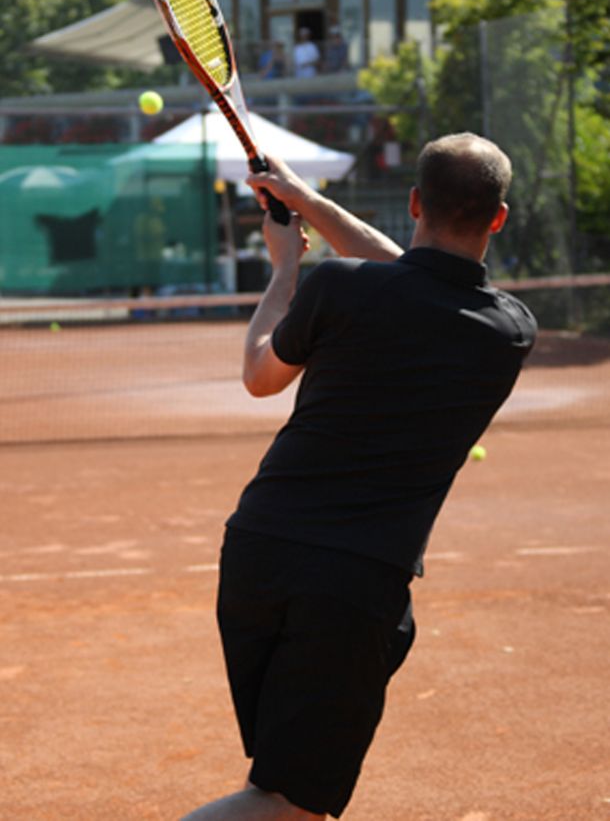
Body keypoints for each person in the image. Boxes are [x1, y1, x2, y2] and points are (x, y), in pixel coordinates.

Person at [180, 133, 537, 821]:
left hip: (256, 552)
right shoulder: (508, 331)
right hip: (351, 583)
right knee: (286, 803)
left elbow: (260, 375)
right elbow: (420, 281)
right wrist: (307, 204)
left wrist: (285, 266)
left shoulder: (338, 286)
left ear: (415, 202)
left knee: (282, 791)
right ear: (499, 217)